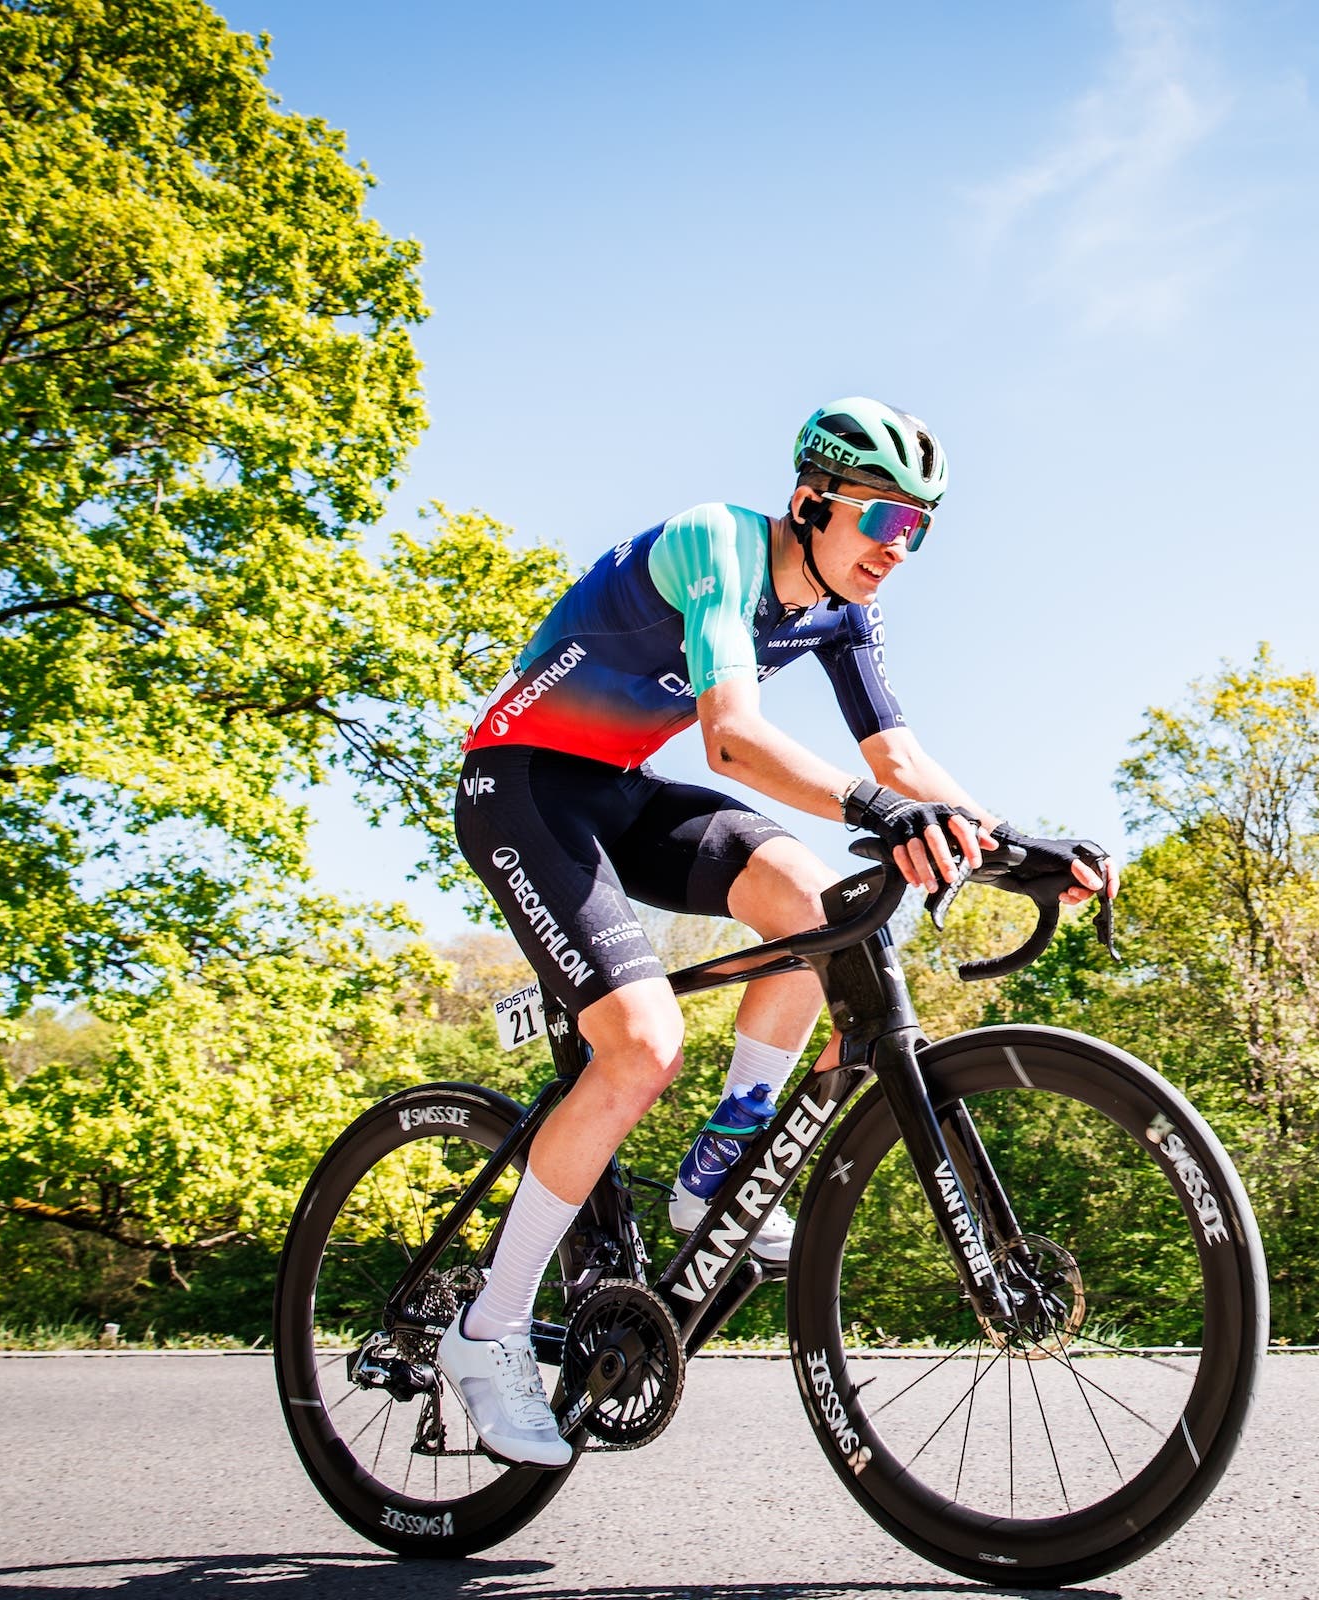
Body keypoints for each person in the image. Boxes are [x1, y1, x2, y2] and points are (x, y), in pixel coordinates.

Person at [436, 398, 1116, 1465]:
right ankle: (487, 1331)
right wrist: (883, 813)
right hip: (522, 786)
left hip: (618, 786)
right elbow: (732, 739)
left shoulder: (842, 611)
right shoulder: (718, 542)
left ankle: (719, 1164)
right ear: (811, 502)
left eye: (917, 528)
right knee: (643, 1045)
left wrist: (1018, 846)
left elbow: (902, 764)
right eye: (883, 520)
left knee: (815, 905)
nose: (899, 549)